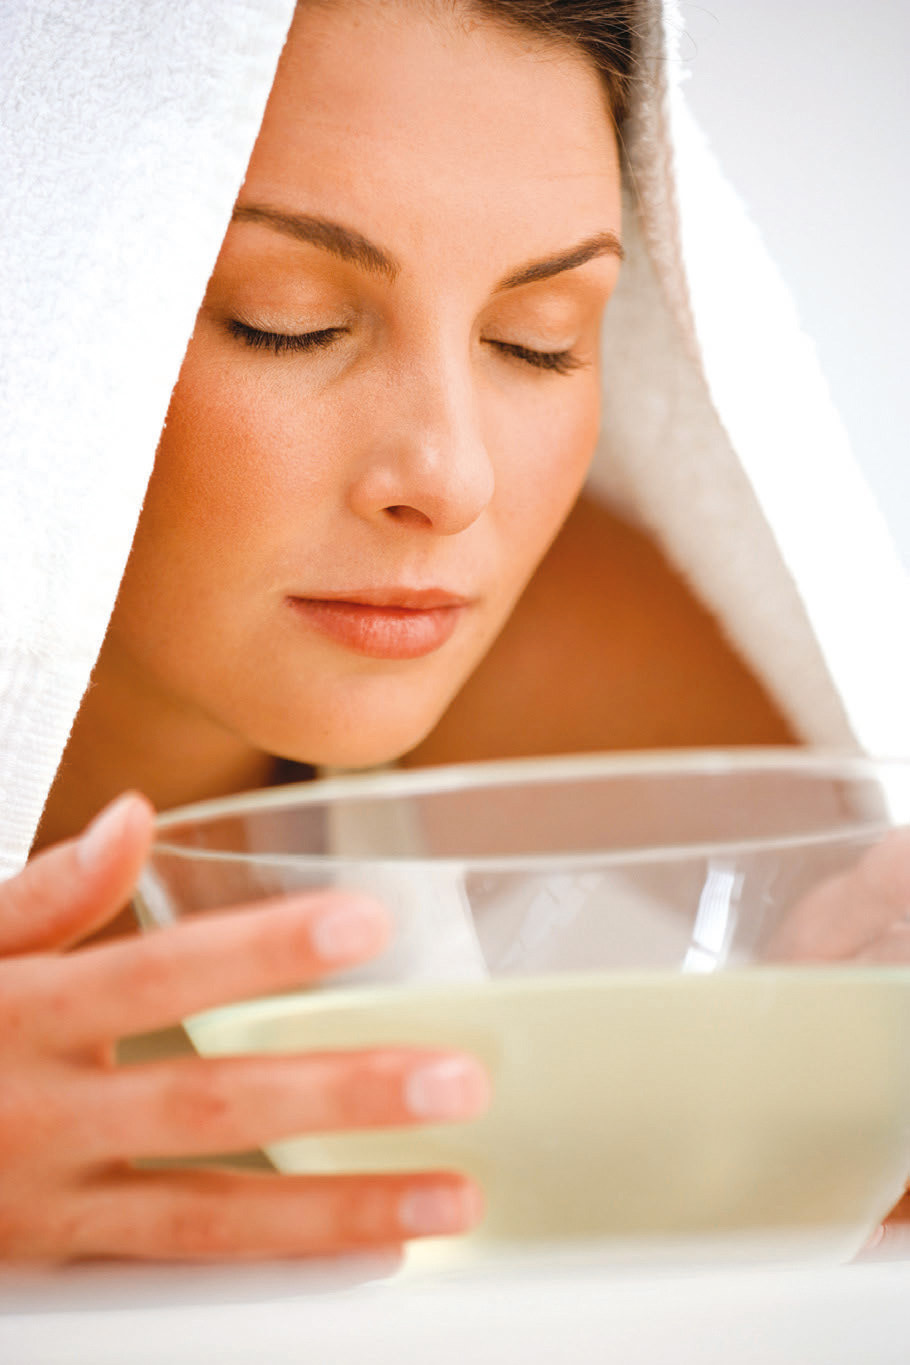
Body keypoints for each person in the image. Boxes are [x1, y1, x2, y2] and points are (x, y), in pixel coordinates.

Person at [1, 0, 908, 1262]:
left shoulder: (566, 668)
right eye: (286, 318)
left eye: (537, 343)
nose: (452, 478)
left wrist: (818, 1165)